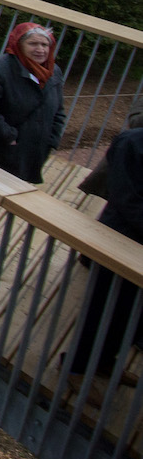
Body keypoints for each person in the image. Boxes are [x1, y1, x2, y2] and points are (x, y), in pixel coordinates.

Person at [68, 113, 143, 379]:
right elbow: (124, 197)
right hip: (119, 240)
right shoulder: (131, 142)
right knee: (103, 307)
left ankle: (105, 361)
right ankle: (76, 368)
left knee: (132, 311)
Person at [0, 22, 65, 185]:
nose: (40, 49)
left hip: (36, 150)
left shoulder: (53, 71)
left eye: (44, 44)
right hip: (2, 149)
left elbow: (59, 110)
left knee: (18, 193)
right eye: (33, 43)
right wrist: (8, 136)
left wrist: (52, 140)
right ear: (19, 45)